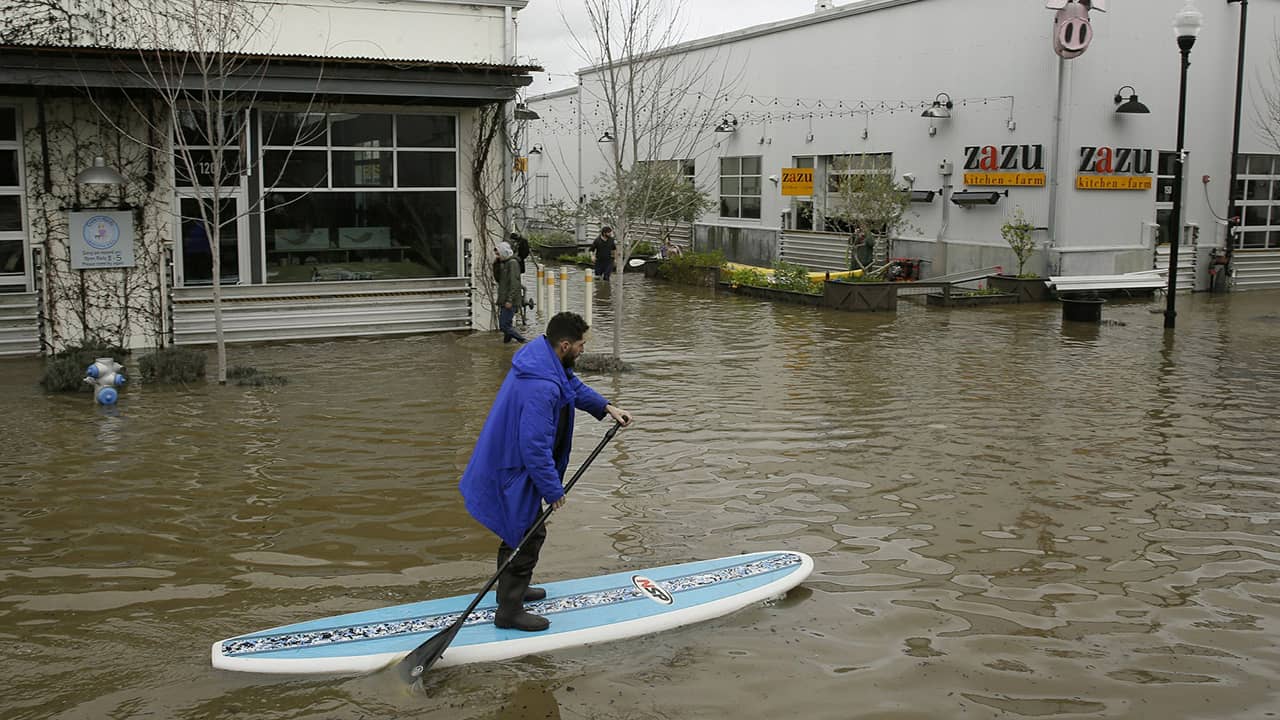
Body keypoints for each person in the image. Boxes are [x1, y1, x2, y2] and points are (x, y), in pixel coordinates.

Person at [458, 312, 633, 632]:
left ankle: (512, 591)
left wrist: (606, 406)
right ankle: (509, 612)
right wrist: (553, 490)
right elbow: (534, 447)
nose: (583, 349)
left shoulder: (543, 360)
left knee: (520, 530)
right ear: (564, 345)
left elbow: (572, 387)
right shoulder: (540, 387)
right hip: (513, 469)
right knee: (526, 533)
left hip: (512, 464)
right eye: (580, 345)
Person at [495, 241, 527, 344]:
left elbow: (514, 283)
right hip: (505, 299)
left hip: (510, 301)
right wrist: (496, 264)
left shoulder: (512, 263)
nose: (497, 256)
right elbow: (498, 279)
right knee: (507, 327)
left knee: (504, 326)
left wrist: (509, 300)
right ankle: (506, 347)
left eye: (498, 254)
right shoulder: (505, 264)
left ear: (504, 253)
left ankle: (523, 341)